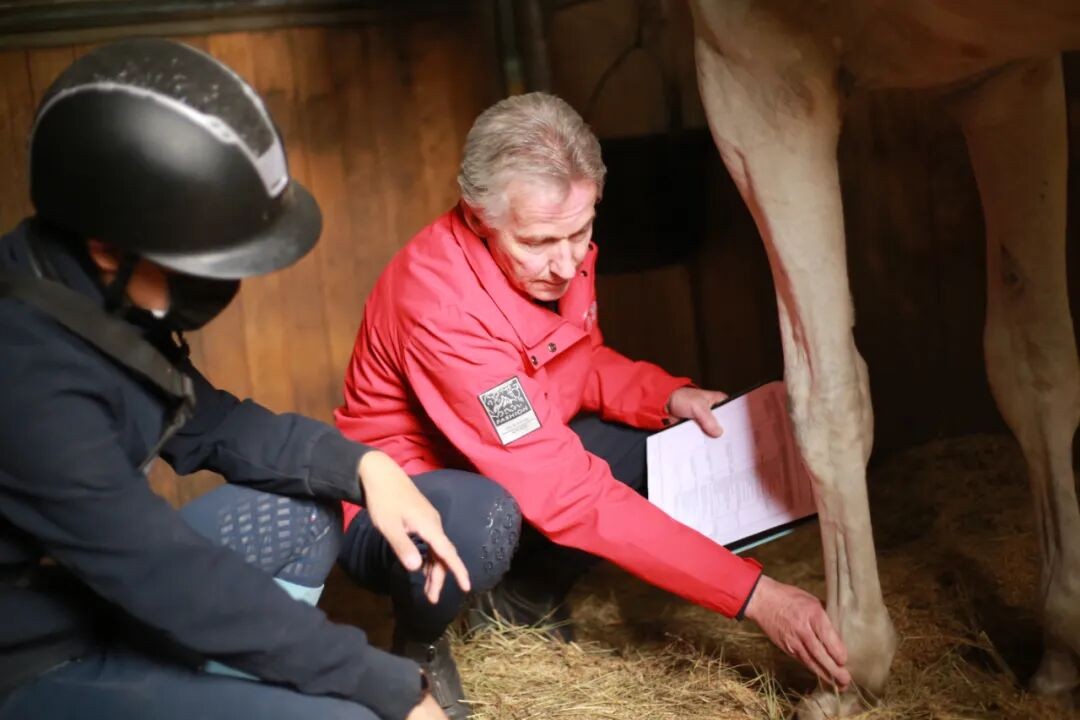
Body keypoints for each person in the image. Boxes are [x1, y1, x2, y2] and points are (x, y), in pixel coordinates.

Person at [0, 38, 501, 720]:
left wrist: (365, 467)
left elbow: (212, 425)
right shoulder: (26, 378)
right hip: (29, 660)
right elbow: (168, 575)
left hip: (92, 594)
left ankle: (238, 685)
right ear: (108, 247)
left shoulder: (85, 297)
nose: (225, 285)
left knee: (306, 509)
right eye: (205, 267)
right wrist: (389, 688)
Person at [335, 91, 853, 710]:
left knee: (663, 445)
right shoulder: (441, 307)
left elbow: (575, 366)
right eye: (538, 241)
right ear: (477, 218)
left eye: (581, 231)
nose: (565, 263)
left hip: (507, 459)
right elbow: (567, 494)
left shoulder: (555, 251)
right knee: (482, 516)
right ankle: (420, 642)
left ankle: (523, 591)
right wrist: (756, 596)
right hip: (408, 498)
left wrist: (667, 396)